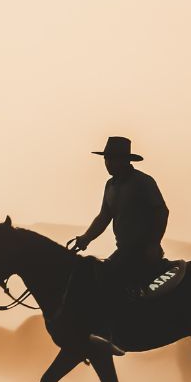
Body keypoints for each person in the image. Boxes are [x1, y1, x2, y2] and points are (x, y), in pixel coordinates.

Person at [69, 136, 169, 355]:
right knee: (98, 276)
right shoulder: (110, 186)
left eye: (112, 159)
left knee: (110, 279)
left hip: (141, 250)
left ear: (124, 160)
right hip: (124, 249)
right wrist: (86, 238)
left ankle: (116, 332)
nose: (108, 163)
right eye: (106, 159)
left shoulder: (143, 182)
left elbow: (161, 211)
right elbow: (105, 216)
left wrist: (153, 243)